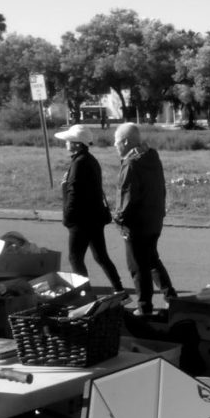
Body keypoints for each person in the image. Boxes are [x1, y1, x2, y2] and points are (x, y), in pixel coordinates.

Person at [113, 123, 178, 317]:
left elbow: (127, 197)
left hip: (136, 224)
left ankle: (144, 307)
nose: (115, 146)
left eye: (116, 142)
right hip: (154, 219)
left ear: (125, 142)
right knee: (151, 261)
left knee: (137, 266)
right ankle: (171, 298)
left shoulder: (131, 164)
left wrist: (118, 219)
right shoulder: (152, 156)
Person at [54, 124, 125, 293]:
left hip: (81, 219)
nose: (66, 144)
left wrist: (68, 219)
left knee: (75, 258)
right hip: (95, 217)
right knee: (101, 256)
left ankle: (84, 293)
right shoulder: (90, 160)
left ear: (77, 144)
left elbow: (74, 194)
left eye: (69, 141)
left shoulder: (79, 163)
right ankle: (119, 290)